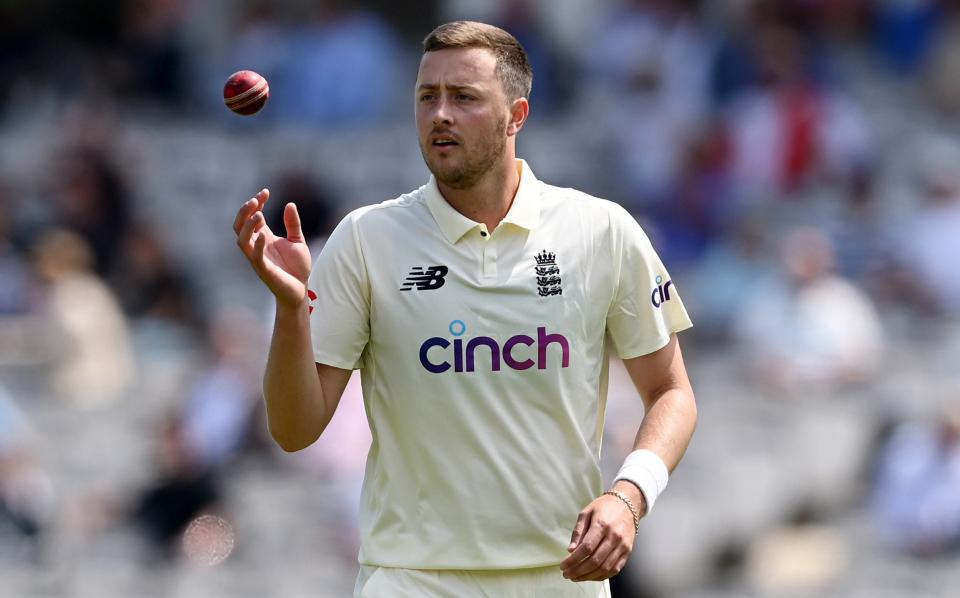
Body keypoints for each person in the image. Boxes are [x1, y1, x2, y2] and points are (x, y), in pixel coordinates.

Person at [232, 21, 697, 597]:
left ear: (517, 116)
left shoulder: (601, 230)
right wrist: (289, 309)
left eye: (464, 98)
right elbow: (294, 429)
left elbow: (672, 392)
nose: (440, 115)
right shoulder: (364, 240)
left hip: (558, 580)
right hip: (410, 578)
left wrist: (629, 496)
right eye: (428, 98)